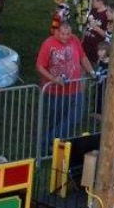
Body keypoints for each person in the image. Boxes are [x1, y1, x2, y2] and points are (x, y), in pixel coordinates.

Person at [37, 20, 93, 152]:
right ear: (57, 32)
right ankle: (47, 147)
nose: (65, 37)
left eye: (68, 34)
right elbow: (40, 66)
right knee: (55, 119)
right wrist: (54, 79)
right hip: (54, 91)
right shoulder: (48, 44)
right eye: (62, 34)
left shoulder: (74, 40)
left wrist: (91, 71)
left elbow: (83, 57)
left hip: (75, 88)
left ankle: (48, 141)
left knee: (76, 115)